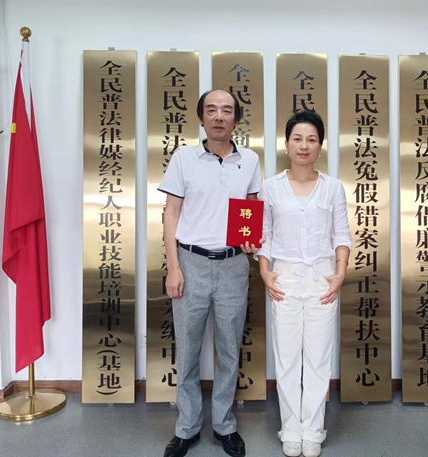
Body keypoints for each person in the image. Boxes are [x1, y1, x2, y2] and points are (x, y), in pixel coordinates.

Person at [158, 89, 263, 457]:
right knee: (187, 351)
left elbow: (252, 209)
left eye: (227, 111)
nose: (220, 116)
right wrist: (174, 267)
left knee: (230, 351)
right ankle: (186, 428)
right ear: (201, 118)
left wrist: (252, 242)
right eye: (212, 110)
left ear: (236, 119)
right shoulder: (183, 159)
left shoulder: (250, 160)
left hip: (234, 266)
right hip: (191, 264)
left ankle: (224, 425)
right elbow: (171, 214)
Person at [255, 110, 352, 457]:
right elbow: (264, 236)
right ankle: (290, 429)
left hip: (323, 279)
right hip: (283, 279)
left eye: (311, 139)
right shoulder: (270, 187)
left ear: (320, 146)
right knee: (286, 360)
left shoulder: (332, 187)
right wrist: (264, 271)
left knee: (318, 358)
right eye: (297, 138)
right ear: (287, 144)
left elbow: (341, 235)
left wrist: (340, 273)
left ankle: (313, 429)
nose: (304, 145)